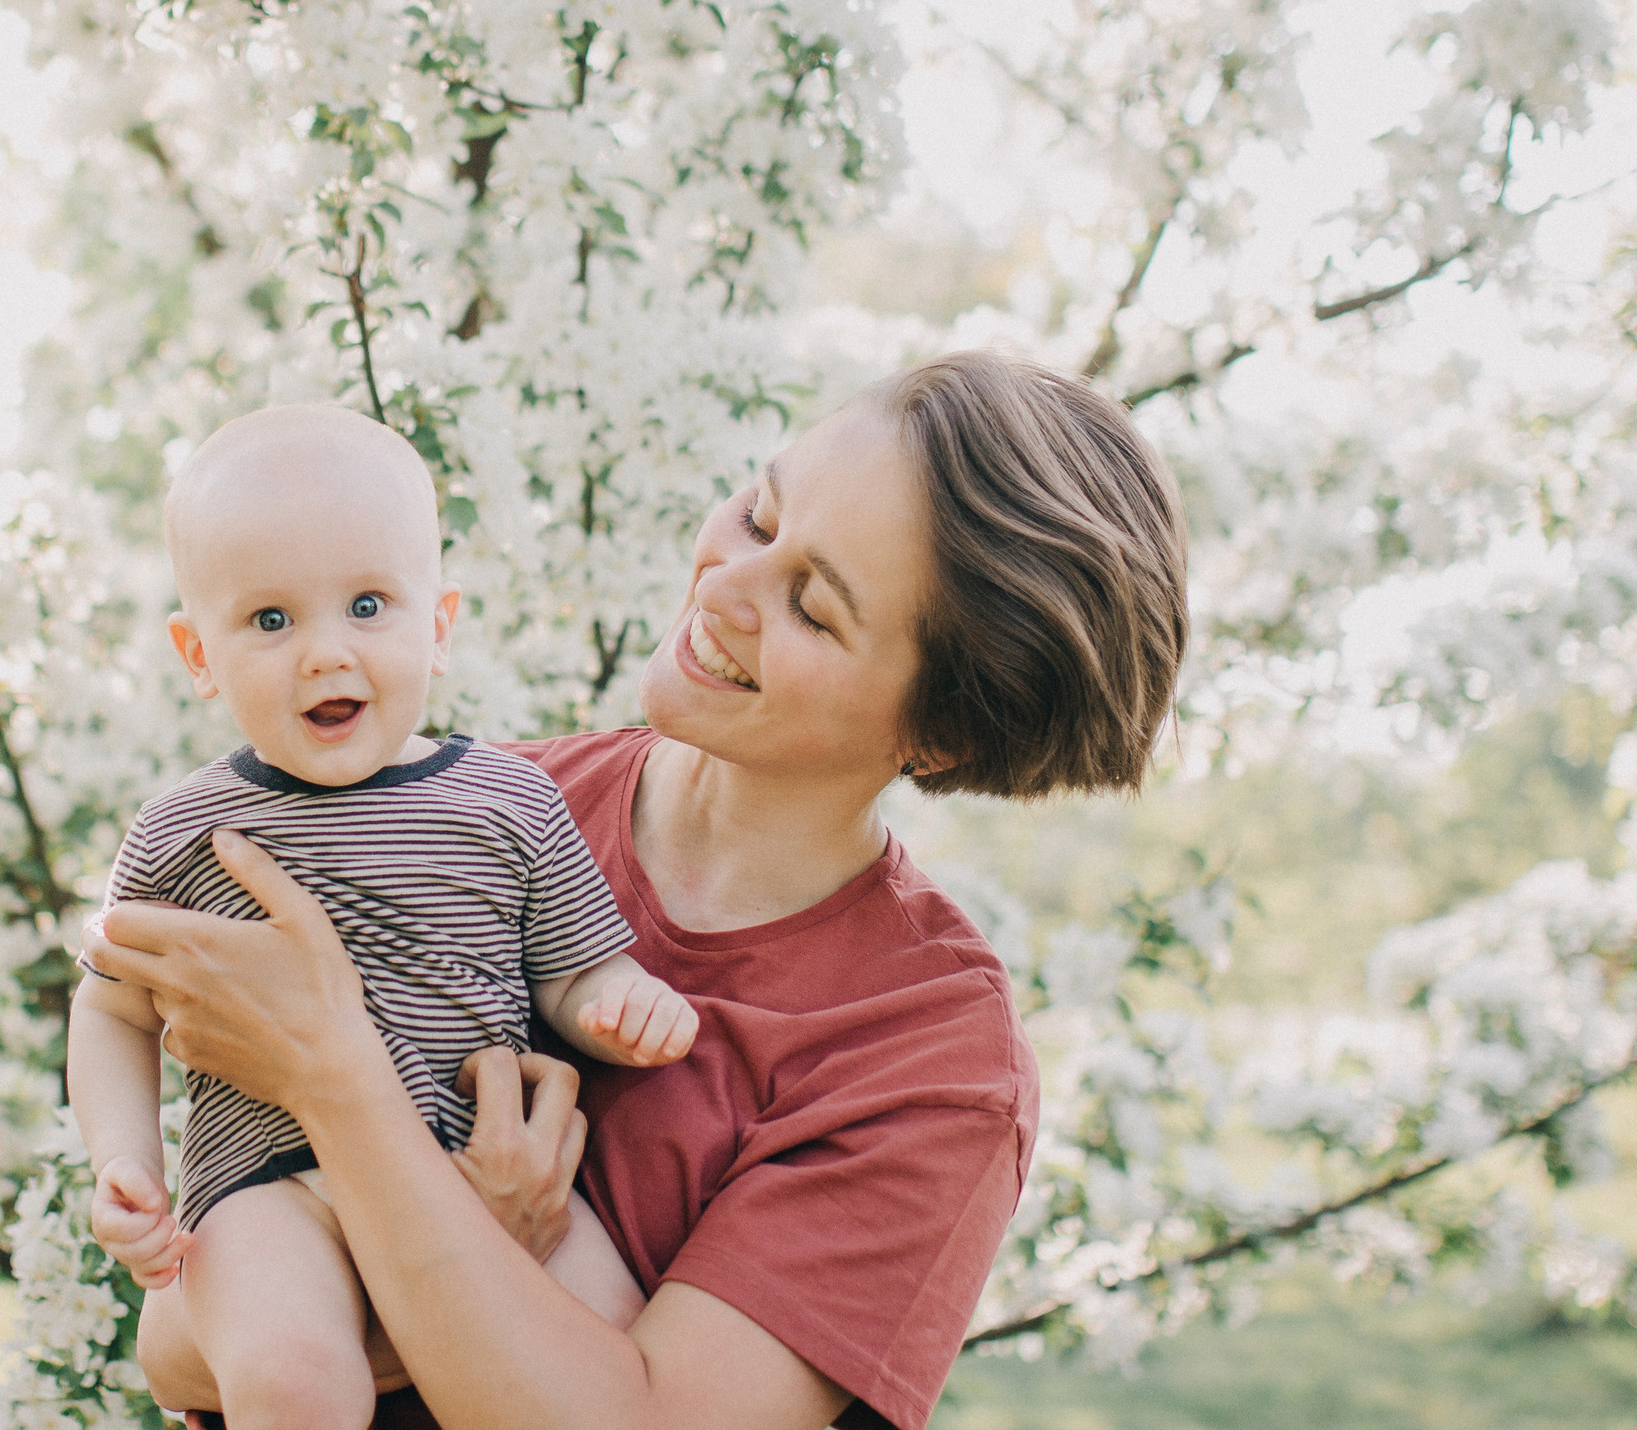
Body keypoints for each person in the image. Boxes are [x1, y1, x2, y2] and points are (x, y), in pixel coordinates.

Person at [84, 351, 1190, 1430]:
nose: (726, 583)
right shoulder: (473, 810)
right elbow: (178, 1340)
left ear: (939, 732)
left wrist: (343, 1088)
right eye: (760, 513)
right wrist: (459, 1239)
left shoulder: (928, 1059)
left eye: (812, 604)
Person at [67, 404, 704, 1428]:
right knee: (292, 1379)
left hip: (475, 1169)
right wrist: (123, 1157)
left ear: (438, 625)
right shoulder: (181, 829)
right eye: (270, 620)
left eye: (368, 604)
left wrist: (620, 1001)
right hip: (273, 1188)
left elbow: (571, 970)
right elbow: (112, 1009)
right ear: (198, 653)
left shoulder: (509, 800)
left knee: (607, 1350)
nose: (325, 652)